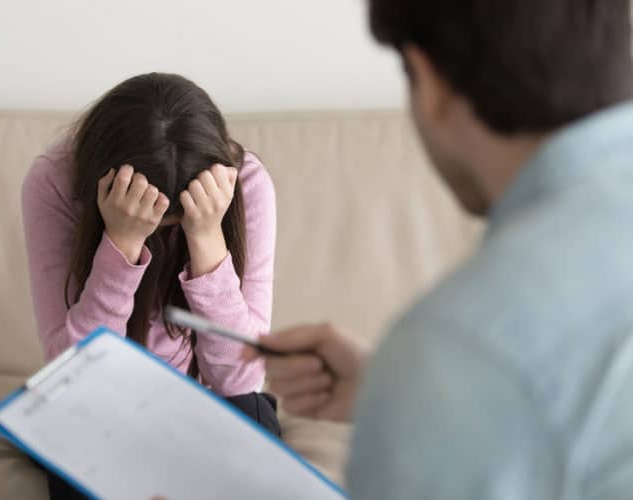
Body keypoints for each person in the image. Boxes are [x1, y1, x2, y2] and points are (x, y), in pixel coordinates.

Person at [249, 1, 633, 498]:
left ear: (428, 84)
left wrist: (422, 389)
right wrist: (400, 400)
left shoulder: (453, 348)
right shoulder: (458, 363)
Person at [21, 73, 280, 498]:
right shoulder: (53, 181)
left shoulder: (246, 183)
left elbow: (240, 378)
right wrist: (121, 242)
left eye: (170, 226)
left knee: (254, 428)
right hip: (101, 401)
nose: (162, 236)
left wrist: (207, 236)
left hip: (205, 400)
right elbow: (70, 369)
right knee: (75, 441)